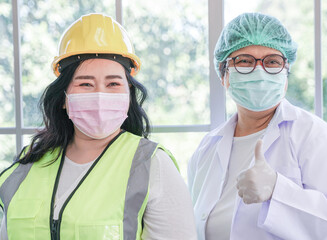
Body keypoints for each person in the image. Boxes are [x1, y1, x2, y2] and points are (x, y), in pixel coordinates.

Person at [0, 13, 196, 240]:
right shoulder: (28, 164)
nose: (100, 95)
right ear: (64, 97)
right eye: (85, 84)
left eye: (113, 83)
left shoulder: (151, 165)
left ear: (129, 95)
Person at [188, 12, 327, 240]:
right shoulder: (205, 150)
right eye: (245, 61)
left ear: (285, 74)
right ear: (223, 75)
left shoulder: (312, 134)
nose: (260, 71)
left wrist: (278, 191)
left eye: (272, 62)